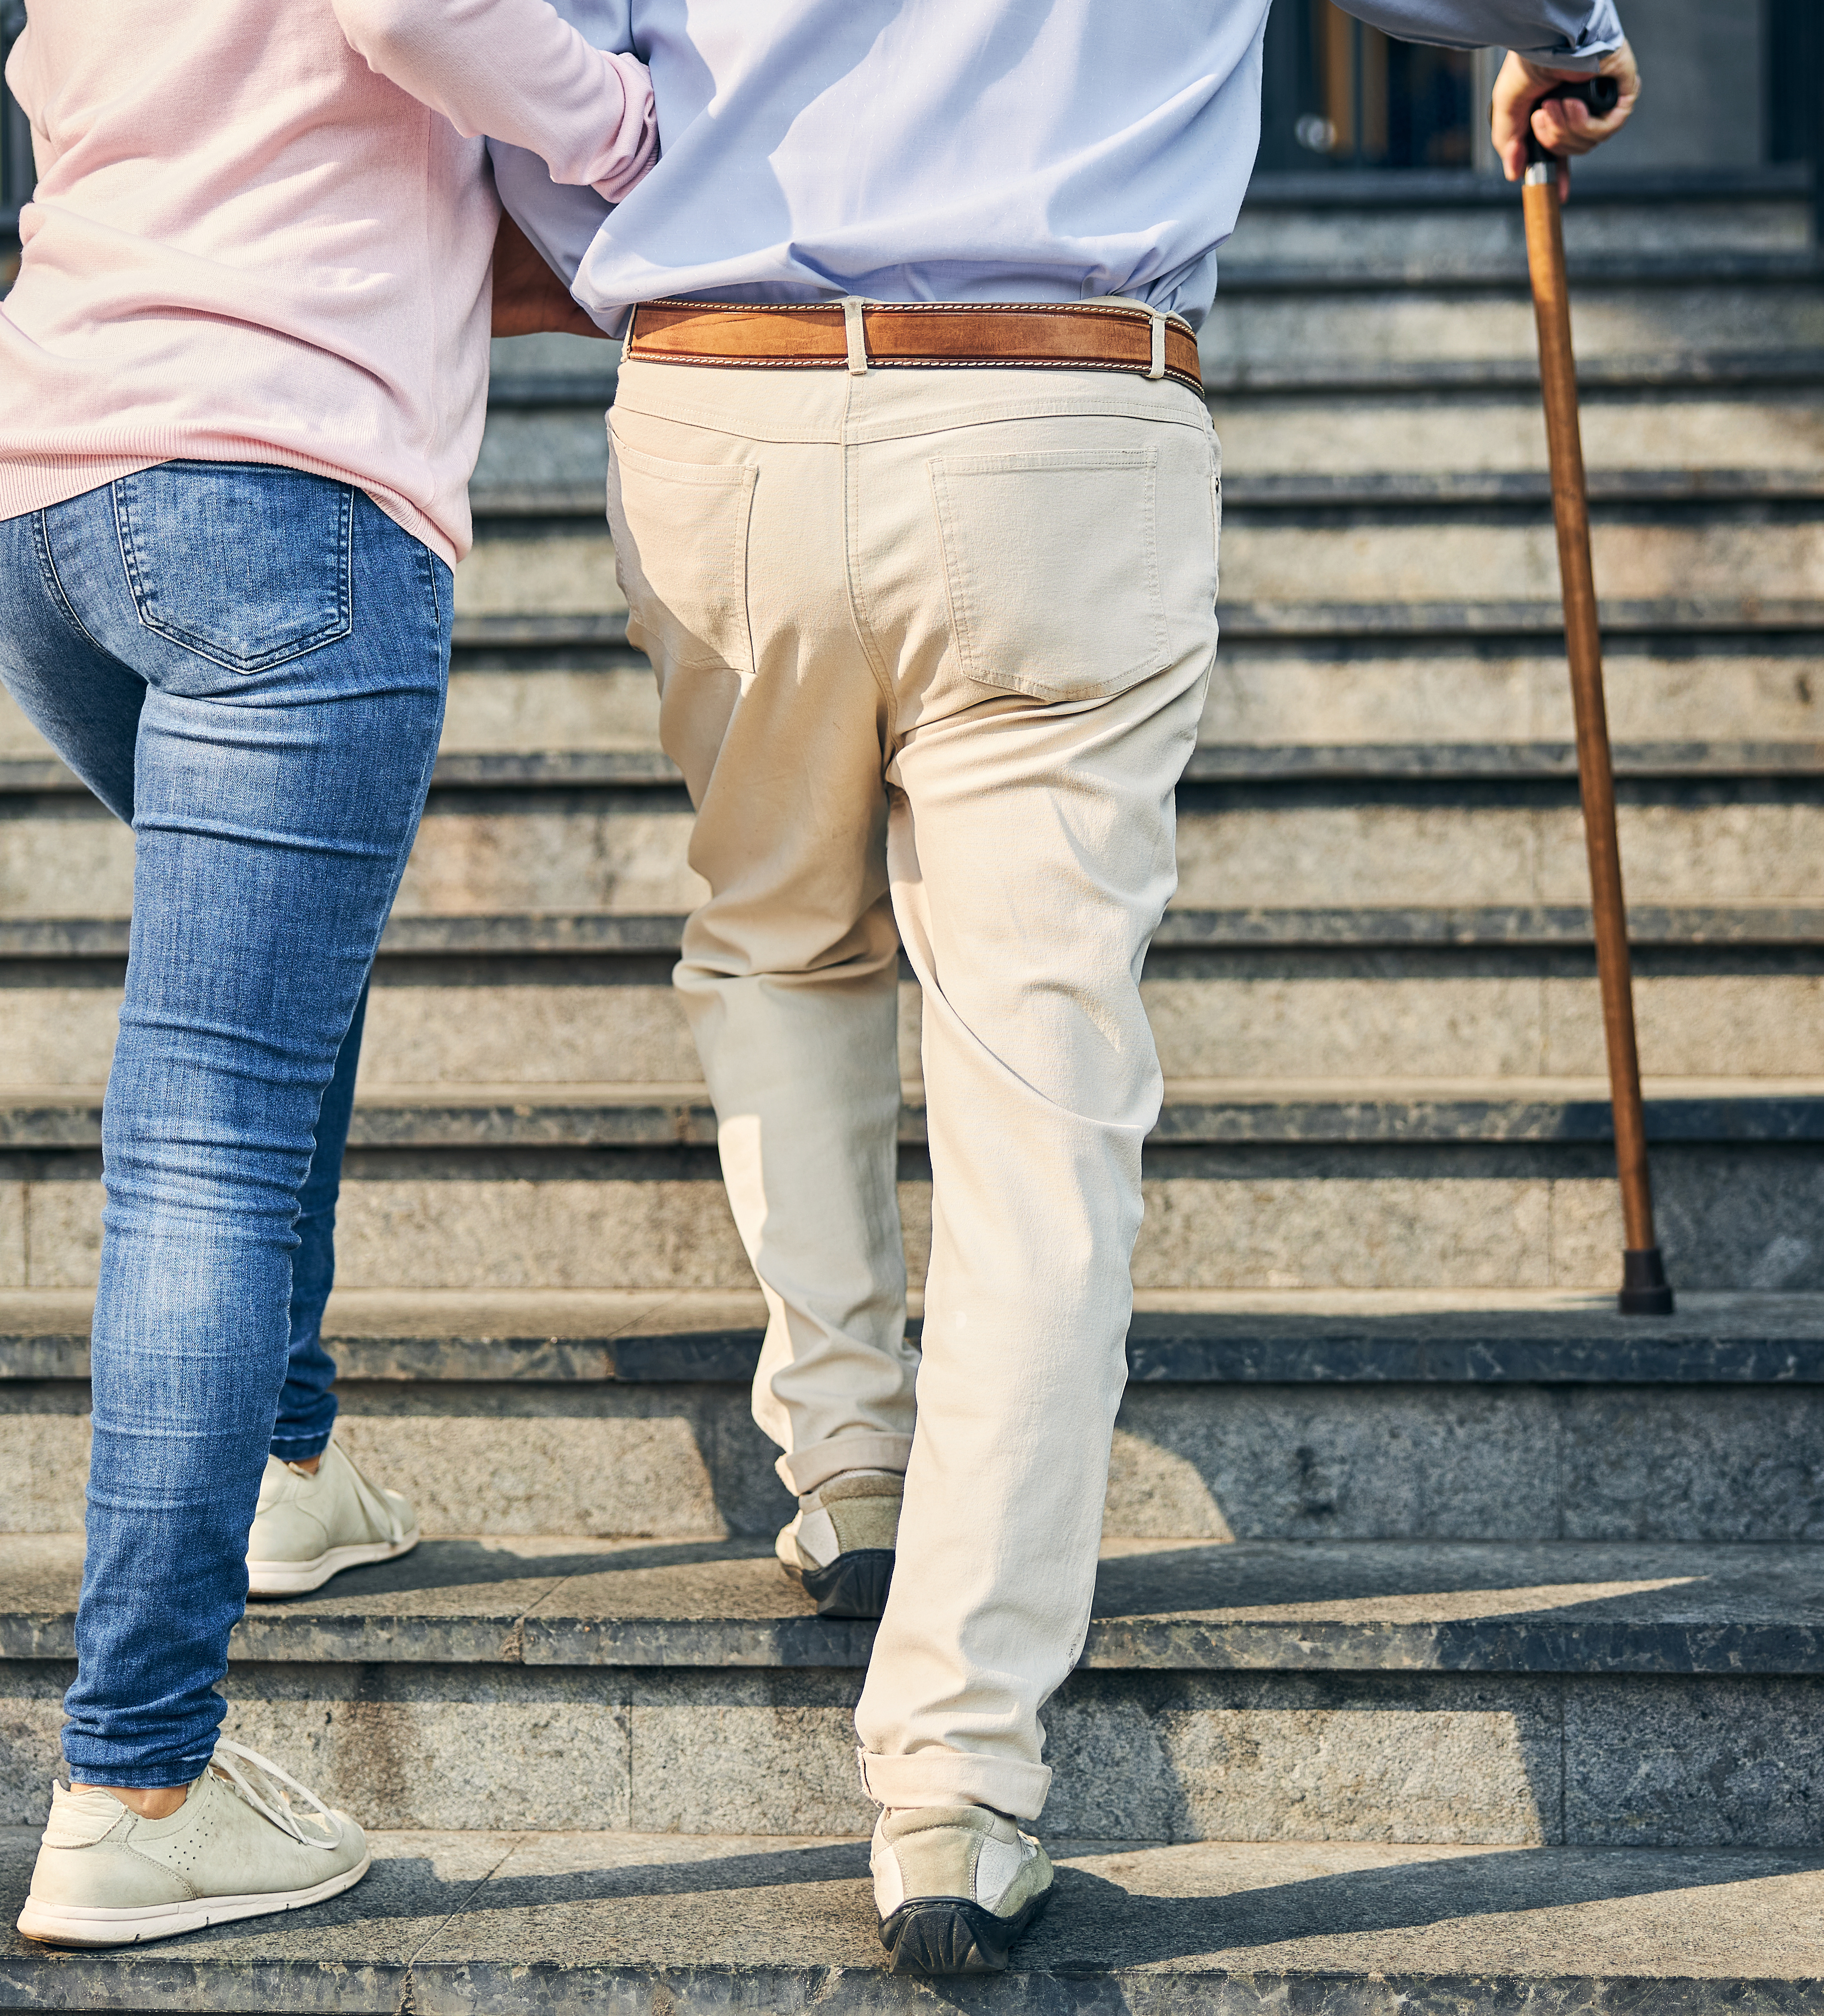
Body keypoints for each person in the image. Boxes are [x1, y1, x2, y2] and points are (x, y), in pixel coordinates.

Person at [494, 2, 1636, 1974]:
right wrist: (1558, 32)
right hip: (1056, 396)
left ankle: (847, 1449)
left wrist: (619, 204)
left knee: (775, 931)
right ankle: (952, 1774)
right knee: (1037, 1095)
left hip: (717, 391)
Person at [0, 0, 658, 1947]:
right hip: (274, 497)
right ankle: (137, 1777)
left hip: (31, 501)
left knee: (252, 1028)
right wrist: (631, 125)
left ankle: (286, 1458)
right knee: (212, 1136)